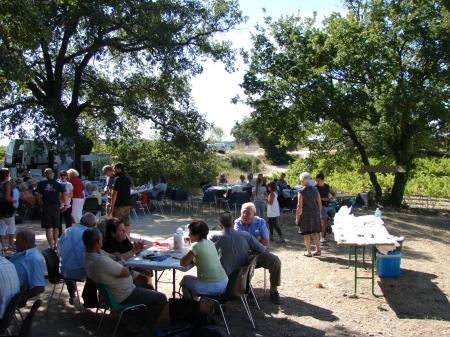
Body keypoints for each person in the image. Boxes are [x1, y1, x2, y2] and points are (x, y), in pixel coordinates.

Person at [83, 227, 166, 330]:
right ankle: (142, 327)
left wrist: (121, 260)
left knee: (147, 285)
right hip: (124, 295)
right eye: (100, 239)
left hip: (117, 290)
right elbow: (125, 271)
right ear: (97, 242)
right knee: (161, 298)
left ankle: (135, 319)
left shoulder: (89, 255)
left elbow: (116, 258)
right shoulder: (100, 261)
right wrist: (122, 263)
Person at [234, 203, 282, 304]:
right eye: (243, 212)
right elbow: (238, 242)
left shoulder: (260, 222)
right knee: (245, 263)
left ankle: (273, 291)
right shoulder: (237, 223)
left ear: (254, 214)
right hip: (244, 254)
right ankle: (246, 289)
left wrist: (249, 240)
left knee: (275, 261)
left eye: (248, 213)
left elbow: (266, 242)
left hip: (259, 252)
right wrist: (257, 238)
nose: (245, 215)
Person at [180, 221, 228, 300]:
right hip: (224, 284)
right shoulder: (210, 243)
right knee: (190, 281)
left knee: (185, 280)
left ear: (197, 235)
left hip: (212, 286)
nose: (189, 235)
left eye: (190, 233)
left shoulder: (196, 245)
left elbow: (183, 263)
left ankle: (191, 306)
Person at [58, 212, 97, 305]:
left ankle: (72, 294)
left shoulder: (68, 230)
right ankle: (91, 300)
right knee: (98, 269)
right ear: (94, 225)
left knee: (70, 262)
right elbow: (95, 255)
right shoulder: (90, 235)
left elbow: (58, 247)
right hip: (79, 272)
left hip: (63, 269)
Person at [102, 218, 152, 288]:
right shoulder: (109, 243)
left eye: (124, 229)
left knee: (147, 271)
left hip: (128, 268)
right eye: (121, 230)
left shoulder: (123, 238)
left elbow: (133, 250)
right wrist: (134, 250)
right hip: (119, 275)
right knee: (144, 279)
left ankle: (147, 291)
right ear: (113, 233)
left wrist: (139, 247)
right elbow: (119, 258)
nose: (124, 232)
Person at [9, 230, 45, 305]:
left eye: (17, 241)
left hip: (9, 295)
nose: (15, 243)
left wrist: (15, 300)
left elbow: (39, 288)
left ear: (26, 243)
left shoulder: (34, 259)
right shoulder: (23, 252)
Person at [36, 168, 67, 248]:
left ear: (45, 174)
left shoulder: (41, 184)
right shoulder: (57, 184)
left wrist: (41, 205)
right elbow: (65, 193)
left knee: (48, 227)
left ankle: (51, 246)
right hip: (55, 206)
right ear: (52, 174)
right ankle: (56, 243)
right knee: (56, 226)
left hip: (46, 207)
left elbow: (38, 196)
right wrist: (65, 204)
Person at [296, 172, 322, 257]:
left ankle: (308, 252)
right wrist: (319, 213)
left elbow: (299, 206)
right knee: (315, 233)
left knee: (306, 233)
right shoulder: (315, 189)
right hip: (315, 213)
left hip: (305, 214)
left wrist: (297, 217)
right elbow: (319, 203)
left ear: (302, 180)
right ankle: (318, 250)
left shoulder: (301, 191)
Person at [107, 163, 132, 233]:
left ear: (119, 169)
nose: (113, 170)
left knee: (117, 225)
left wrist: (112, 206)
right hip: (127, 205)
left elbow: (114, 194)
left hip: (119, 205)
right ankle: (128, 241)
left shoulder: (117, 179)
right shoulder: (127, 179)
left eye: (114, 168)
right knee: (126, 224)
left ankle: (119, 241)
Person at [315, 173, 335, 243]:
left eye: (318, 180)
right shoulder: (316, 187)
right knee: (321, 222)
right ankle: (321, 237)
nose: (317, 182)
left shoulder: (326, 186)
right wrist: (323, 199)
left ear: (322, 180)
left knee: (324, 222)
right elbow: (315, 198)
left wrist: (330, 198)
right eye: (316, 180)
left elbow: (333, 193)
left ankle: (322, 237)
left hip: (326, 206)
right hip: (319, 206)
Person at [0, 169, 16, 251]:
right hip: (7, 208)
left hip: (1, 207)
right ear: (7, 175)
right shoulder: (7, 184)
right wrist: (14, 200)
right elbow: (7, 197)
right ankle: (10, 245)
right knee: (10, 227)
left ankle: (2, 245)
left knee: (2, 226)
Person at [58, 170, 73, 235]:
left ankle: (68, 234)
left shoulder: (69, 184)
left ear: (67, 176)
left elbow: (72, 195)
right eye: (62, 175)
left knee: (68, 222)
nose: (63, 176)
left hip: (68, 205)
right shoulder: (57, 183)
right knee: (58, 222)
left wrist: (65, 195)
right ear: (60, 176)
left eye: (65, 175)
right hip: (59, 205)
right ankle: (59, 235)